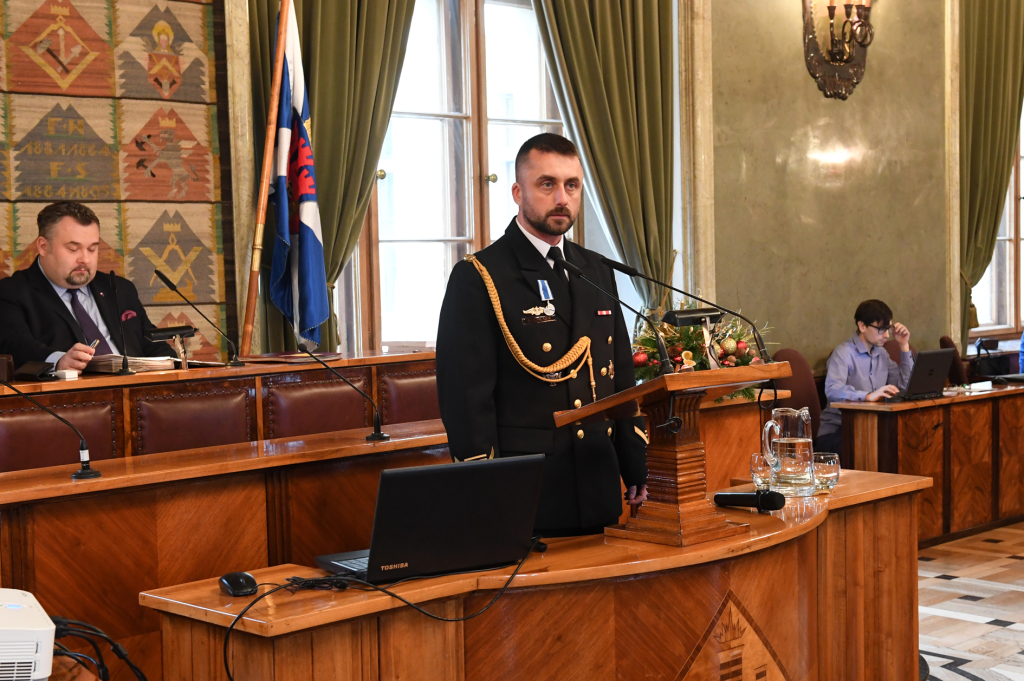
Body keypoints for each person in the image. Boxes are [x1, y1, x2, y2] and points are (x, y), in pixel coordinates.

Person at [435, 133, 649, 537]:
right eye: (547, 184)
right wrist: (486, 483)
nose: (562, 198)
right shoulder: (481, 276)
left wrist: (632, 460)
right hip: (529, 489)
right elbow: (467, 399)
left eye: (572, 186)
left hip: (597, 478)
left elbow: (619, 376)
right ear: (518, 192)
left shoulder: (595, 269)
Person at [0, 201, 173, 371]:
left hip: (138, 392)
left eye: (92, 249)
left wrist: (177, 364)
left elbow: (152, 345)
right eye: (73, 249)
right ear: (44, 247)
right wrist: (59, 361)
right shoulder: (13, 292)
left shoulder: (119, 289)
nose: (85, 259)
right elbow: (16, 346)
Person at [816, 299, 914, 454]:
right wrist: (867, 396)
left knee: (905, 443)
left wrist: (903, 346)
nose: (887, 335)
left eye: (888, 328)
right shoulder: (843, 353)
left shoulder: (882, 353)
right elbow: (832, 390)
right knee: (880, 450)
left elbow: (904, 388)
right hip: (837, 432)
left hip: (871, 427)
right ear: (862, 326)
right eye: (881, 329)